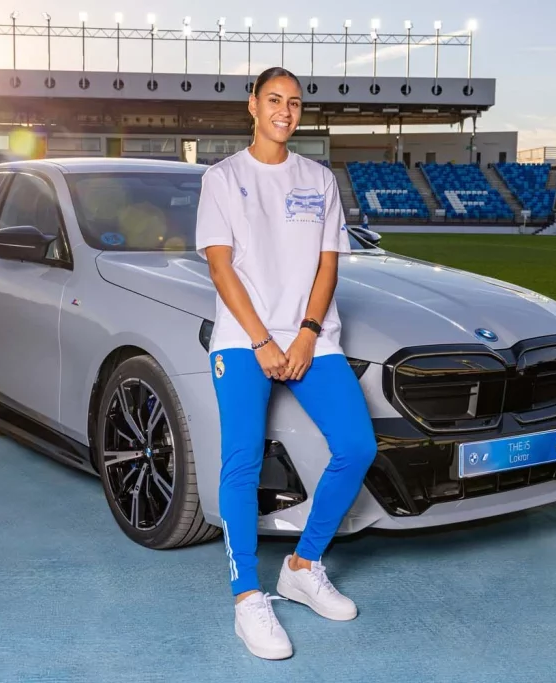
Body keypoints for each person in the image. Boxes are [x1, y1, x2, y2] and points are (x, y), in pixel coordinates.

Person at [195, 67, 378, 660]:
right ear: (253, 105)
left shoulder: (318, 178)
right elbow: (221, 268)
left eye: (295, 102)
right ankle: (248, 597)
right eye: (274, 99)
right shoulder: (222, 179)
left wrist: (303, 335)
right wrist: (262, 342)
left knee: (357, 446)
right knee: (242, 459)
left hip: (311, 339)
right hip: (242, 340)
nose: (285, 110)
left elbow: (328, 266)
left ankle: (303, 565)